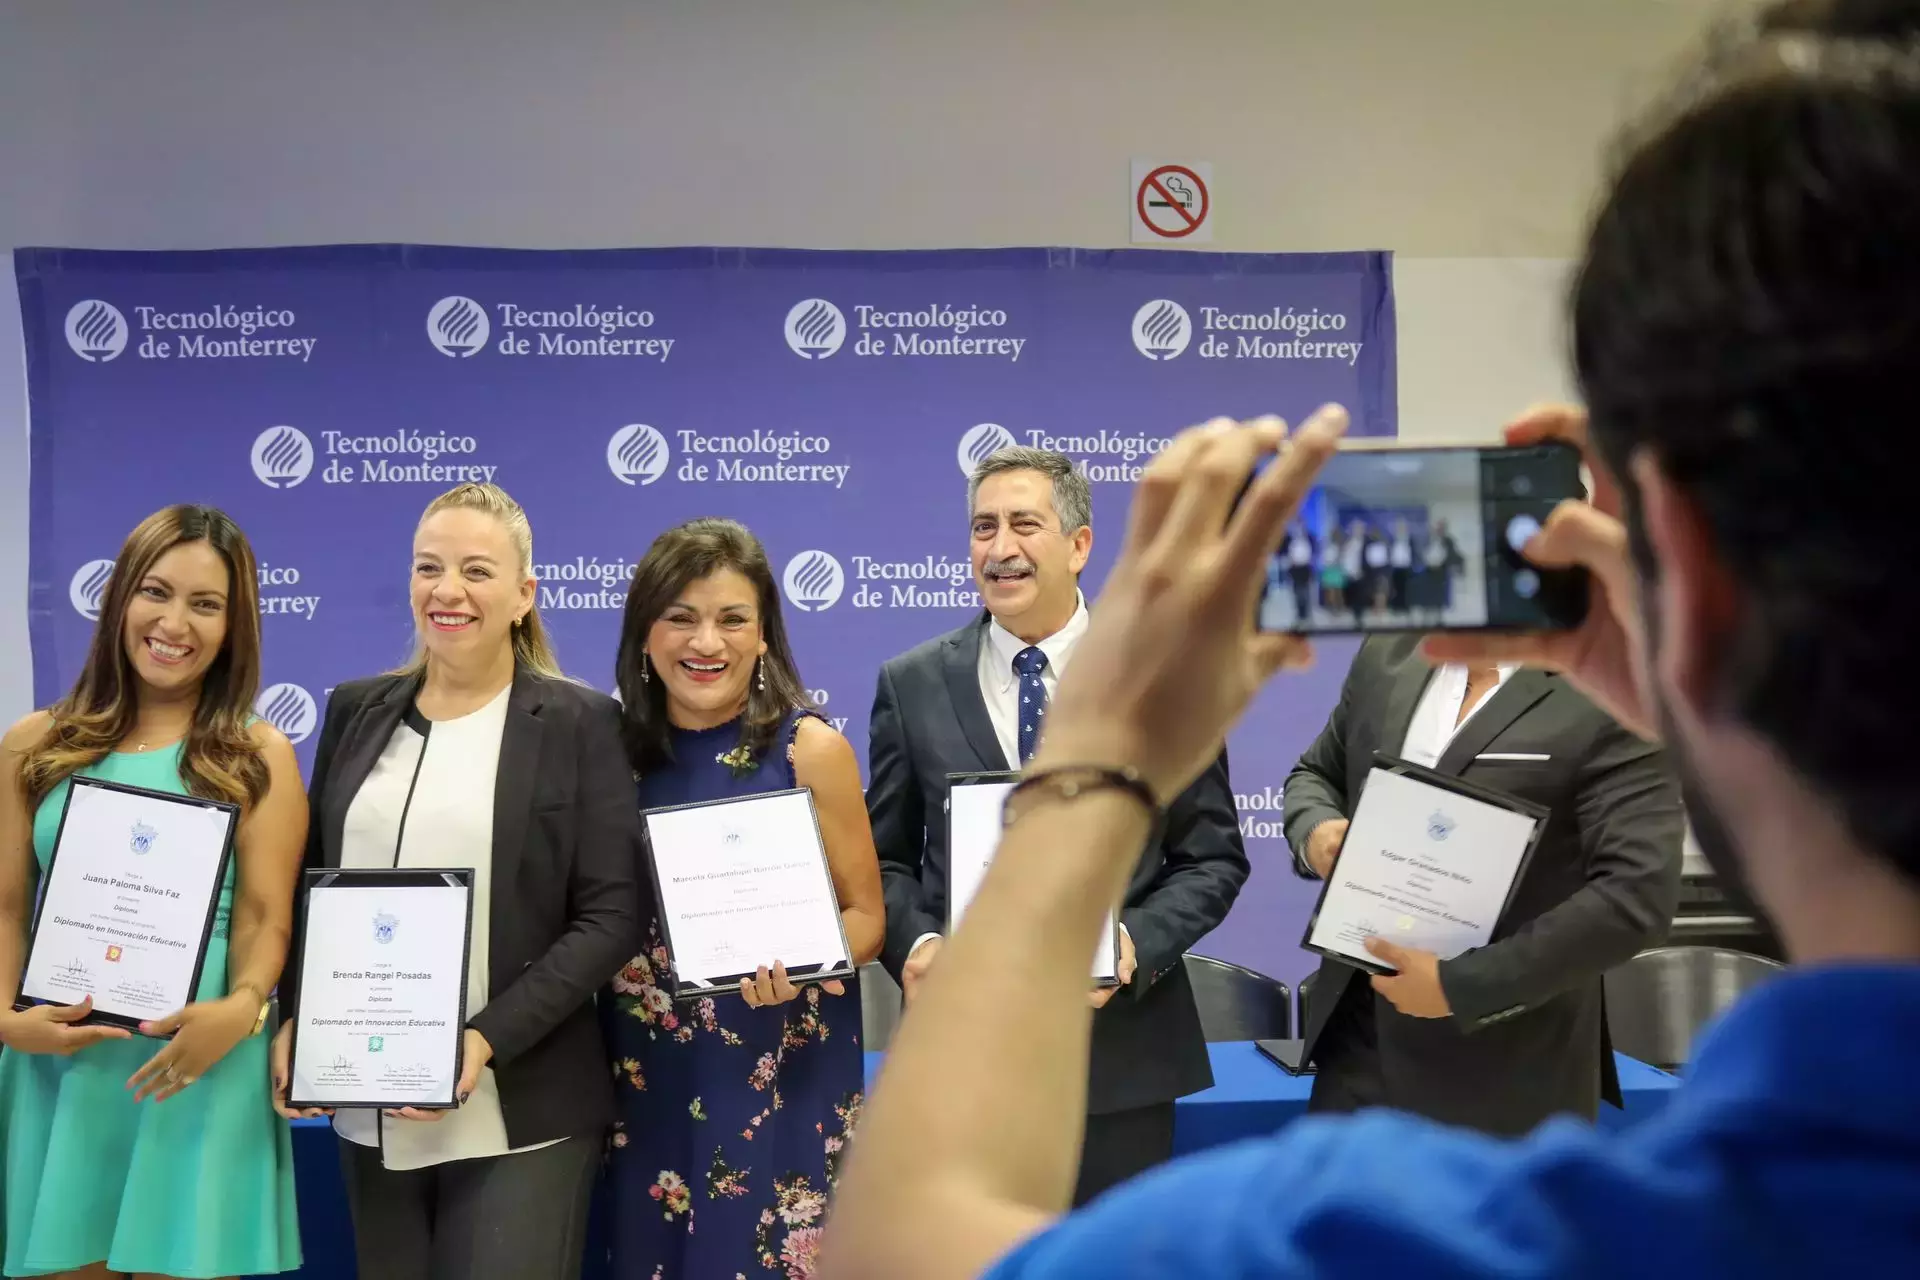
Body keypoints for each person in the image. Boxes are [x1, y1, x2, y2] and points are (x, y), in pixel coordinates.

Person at [822, 3, 1920, 1273]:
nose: (999, 545)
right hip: (1361, 1043)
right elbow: (1310, 781)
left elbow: (899, 1241)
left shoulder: (1375, 1237)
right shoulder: (1391, 662)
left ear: (1682, 560)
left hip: (1490, 1066)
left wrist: (1092, 771)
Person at [272, 482, 641, 1280]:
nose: (447, 591)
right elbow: (314, 890)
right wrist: (299, 1017)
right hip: (370, 1097)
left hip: (521, 1101)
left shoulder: (581, 723)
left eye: (477, 571)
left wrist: (481, 1040)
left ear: (523, 594)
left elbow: (610, 916)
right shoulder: (354, 711)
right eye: (428, 567)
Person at [865, 445, 1249, 1205]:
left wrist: (1132, 942)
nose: (999, 549)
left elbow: (1212, 859)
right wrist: (922, 944)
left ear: (1079, 545)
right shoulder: (909, 684)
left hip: (1122, 1061)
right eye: (983, 528)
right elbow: (885, 864)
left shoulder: (1160, 673)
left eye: (1023, 525)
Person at [0, 504, 304, 1277]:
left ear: (235, 626)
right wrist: (6, 1020)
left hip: (197, 1063)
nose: (175, 623)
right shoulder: (35, 745)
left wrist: (240, 1011)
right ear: (120, 598)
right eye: (156, 592)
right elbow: (5, 904)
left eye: (206, 605)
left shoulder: (259, 755)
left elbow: (267, 916)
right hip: (58, 1066)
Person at [602, 517, 884, 1280]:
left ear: (764, 637)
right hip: (646, 1076)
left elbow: (867, 918)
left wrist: (803, 963)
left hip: (783, 1063)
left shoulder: (810, 750)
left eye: (732, 620)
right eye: (681, 618)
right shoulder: (605, 754)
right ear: (646, 633)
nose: (706, 643)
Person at [1285, 637, 1681, 1134]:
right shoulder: (1388, 655)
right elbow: (1315, 773)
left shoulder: (1610, 690)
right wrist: (1315, 831)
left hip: (1508, 1071)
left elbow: (1636, 895)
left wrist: (1461, 987)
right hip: (1355, 1055)